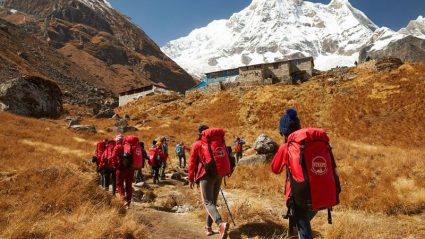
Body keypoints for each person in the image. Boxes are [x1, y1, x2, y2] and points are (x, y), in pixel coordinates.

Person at [272, 108, 316, 239]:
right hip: (319, 192)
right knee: (302, 223)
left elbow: (275, 169)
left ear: (283, 131)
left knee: (304, 230)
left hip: (299, 196)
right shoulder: (311, 144)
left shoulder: (286, 148)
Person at [188, 125, 230, 238]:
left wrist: (191, 178)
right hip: (219, 174)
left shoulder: (197, 144)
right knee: (212, 203)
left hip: (205, 175)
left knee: (207, 202)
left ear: (200, 134)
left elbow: (192, 163)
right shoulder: (218, 142)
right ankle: (208, 228)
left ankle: (220, 224)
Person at [112, 134, 134, 209]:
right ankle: (128, 203)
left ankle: (123, 200)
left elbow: (113, 157)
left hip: (121, 169)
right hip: (130, 169)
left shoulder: (118, 147)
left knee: (119, 184)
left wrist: (116, 165)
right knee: (129, 185)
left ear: (117, 140)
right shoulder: (131, 147)